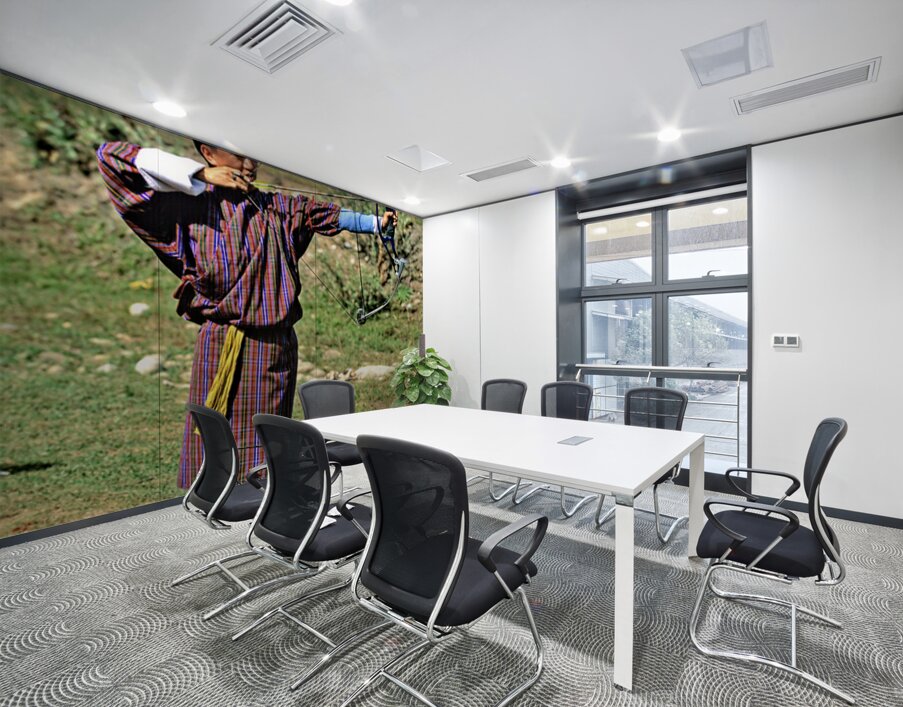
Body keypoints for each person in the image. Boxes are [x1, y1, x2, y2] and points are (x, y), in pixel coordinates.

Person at [97, 140, 395, 488]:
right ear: (208, 152)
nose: (249, 164)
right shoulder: (185, 206)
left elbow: (327, 215)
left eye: (254, 155)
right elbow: (110, 158)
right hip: (220, 343)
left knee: (266, 442)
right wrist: (201, 175)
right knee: (216, 436)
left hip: (273, 350)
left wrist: (376, 222)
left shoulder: (278, 207)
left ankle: (266, 502)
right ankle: (215, 497)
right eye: (238, 155)